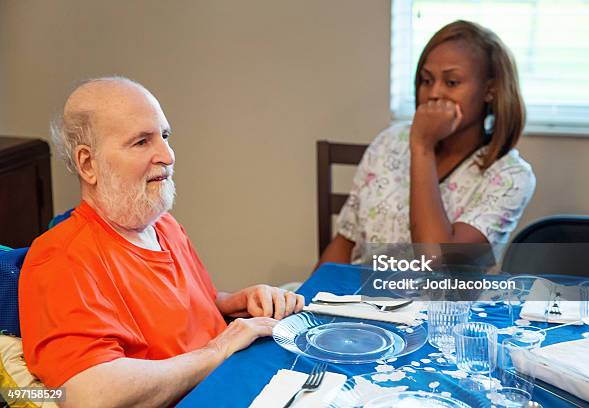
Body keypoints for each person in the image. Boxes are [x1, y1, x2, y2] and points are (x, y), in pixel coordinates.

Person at [18, 77, 304, 407]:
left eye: (164, 136)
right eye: (141, 142)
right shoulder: (60, 258)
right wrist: (219, 349)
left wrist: (235, 302)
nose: (167, 156)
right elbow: (92, 396)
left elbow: (185, 312)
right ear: (88, 163)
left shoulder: (163, 225)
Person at [318, 20, 536, 265]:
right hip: (359, 298)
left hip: (437, 301)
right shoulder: (391, 141)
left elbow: (437, 262)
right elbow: (345, 243)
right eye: (426, 80)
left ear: (490, 90)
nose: (434, 93)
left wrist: (422, 147)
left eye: (452, 82)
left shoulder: (511, 176)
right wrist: (308, 297)